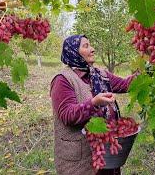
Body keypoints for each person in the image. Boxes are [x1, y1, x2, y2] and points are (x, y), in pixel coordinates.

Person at [50, 35, 138, 175]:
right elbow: (67, 115)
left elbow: (125, 84)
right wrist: (94, 103)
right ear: (73, 52)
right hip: (80, 162)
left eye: (90, 45)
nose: (92, 49)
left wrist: (146, 71)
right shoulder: (63, 80)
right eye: (86, 46)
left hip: (107, 153)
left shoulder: (100, 74)